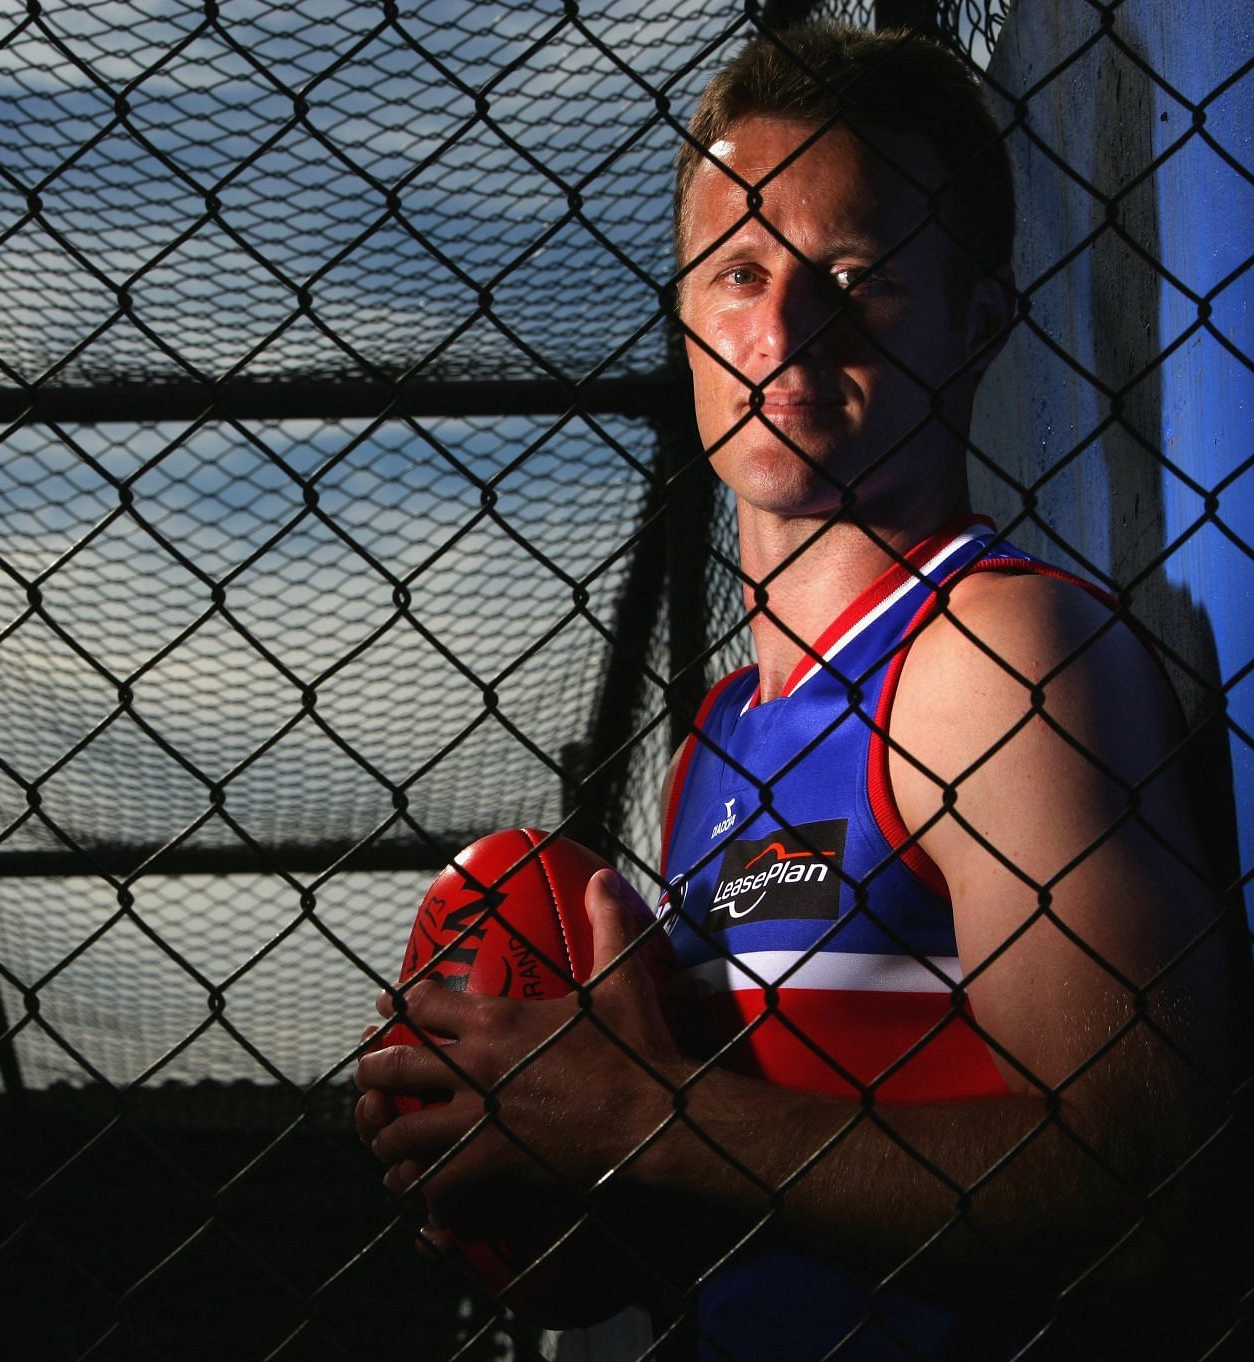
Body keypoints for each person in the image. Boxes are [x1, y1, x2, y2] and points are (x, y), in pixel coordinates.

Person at [352, 23, 1245, 1361]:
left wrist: (643, 1121)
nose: (781, 325)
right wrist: (550, 1176)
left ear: (976, 321)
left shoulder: (990, 658)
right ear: (689, 316)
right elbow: (791, 1185)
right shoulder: (715, 742)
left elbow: (1146, 1191)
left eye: (853, 273)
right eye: (740, 270)